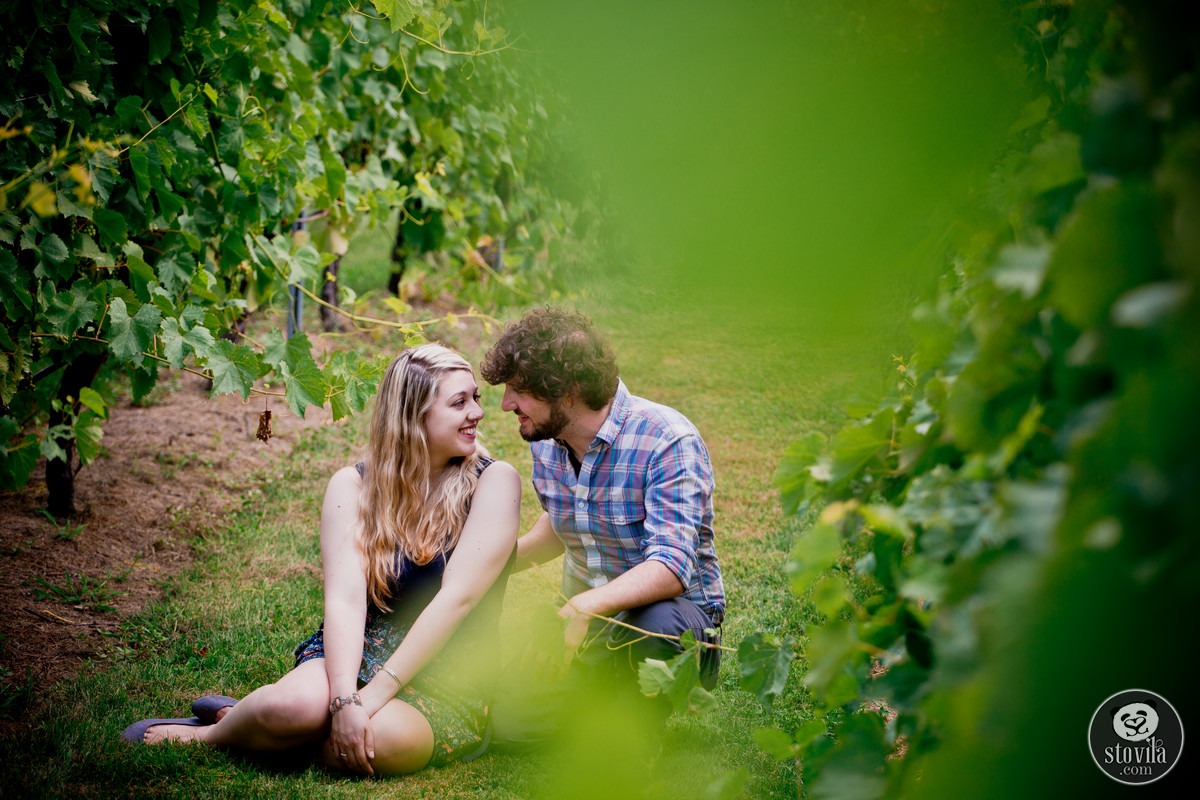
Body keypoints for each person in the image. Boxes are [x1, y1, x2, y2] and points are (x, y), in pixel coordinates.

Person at [121, 344, 521, 776]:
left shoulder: (494, 482)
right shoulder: (353, 487)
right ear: (412, 416)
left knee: (365, 745)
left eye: (474, 398)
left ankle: (258, 724)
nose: (477, 412)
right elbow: (346, 600)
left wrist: (366, 703)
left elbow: (455, 601)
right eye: (459, 402)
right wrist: (346, 697)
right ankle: (215, 734)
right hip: (361, 651)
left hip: (450, 678)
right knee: (288, 705)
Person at [479, 307, 725, 732]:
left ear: (568, 390)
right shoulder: (547, 443)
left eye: (519, 390)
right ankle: (596, 695)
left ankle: (631, 729)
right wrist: (490, 564)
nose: (506, 404)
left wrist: (586, 604)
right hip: (585, 619)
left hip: (670, 624)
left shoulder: (667, 439)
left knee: (653, 627)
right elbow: (562, 524)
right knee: (509, 726)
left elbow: (671, 568)